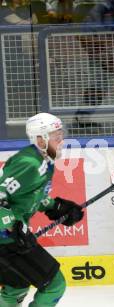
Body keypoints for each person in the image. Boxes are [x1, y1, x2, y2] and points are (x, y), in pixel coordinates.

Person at [0, 113, 84, 306]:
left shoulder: (44, 162)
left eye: (61, 134)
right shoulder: (29, 163)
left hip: (9, 238)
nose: (61, 140)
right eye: (56, 136)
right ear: (40, 139)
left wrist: (56, 207)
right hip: (6, 240)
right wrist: (14, 226)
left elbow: (28, 196)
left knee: (17, 286)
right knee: (54, 285)